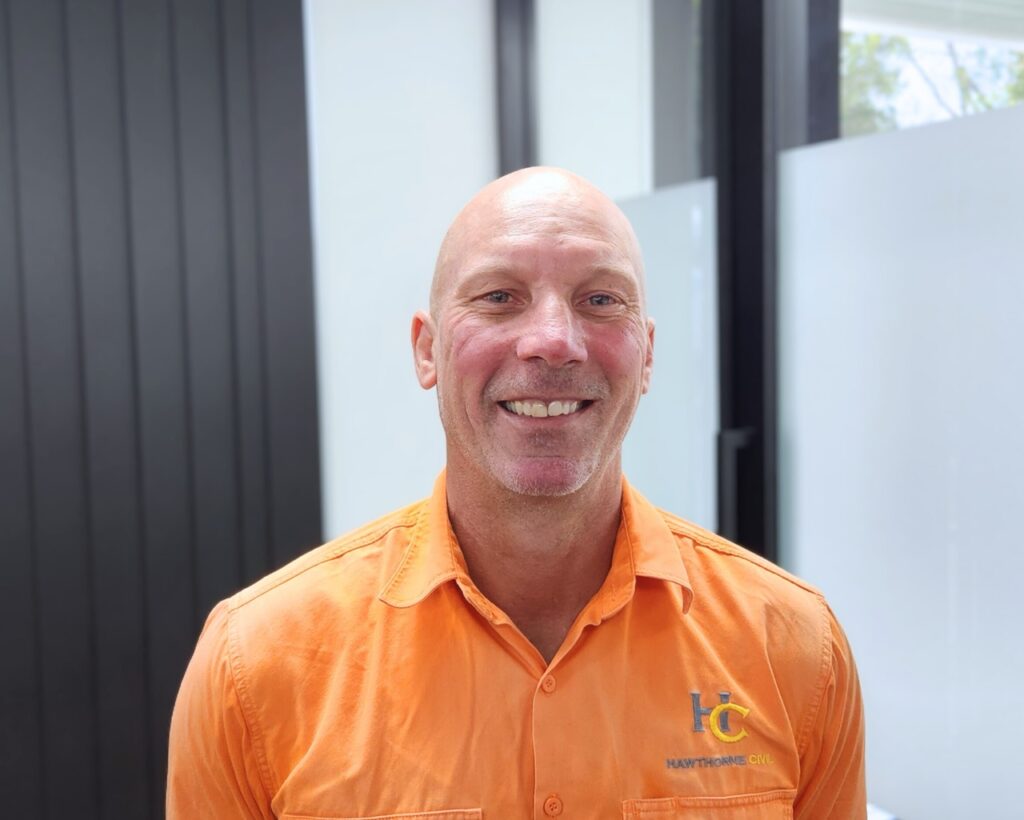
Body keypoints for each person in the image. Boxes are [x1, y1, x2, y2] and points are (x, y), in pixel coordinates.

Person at [167, 167, 865, 818]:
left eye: (599, 299)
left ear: (647, 355)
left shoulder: (796, 651)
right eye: (499, 297)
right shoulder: (254, 666)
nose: (552, 341)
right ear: (425, 351)